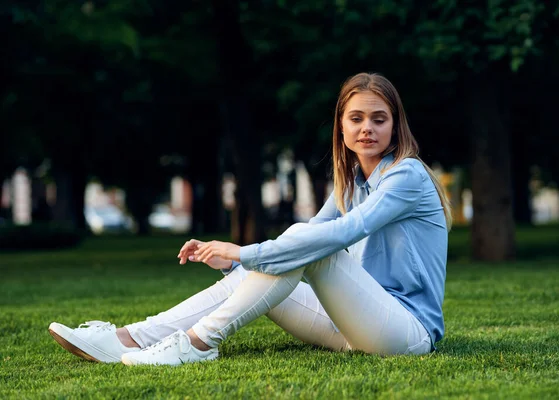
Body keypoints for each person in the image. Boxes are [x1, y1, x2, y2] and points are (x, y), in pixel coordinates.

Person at [48, 72, 452, 366]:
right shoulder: (350, 181)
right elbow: (312, 233)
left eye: (379, 119)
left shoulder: (406, 175)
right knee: (280, 255)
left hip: (408, 333)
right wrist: (243, 261)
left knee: (304, 247)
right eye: (356, 119)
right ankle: (130, 338)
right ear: (341, 127)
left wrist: (244, 250)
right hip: (354, 325)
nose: (367, 128)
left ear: (395, 125)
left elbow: (345, 232)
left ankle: (199, 343)